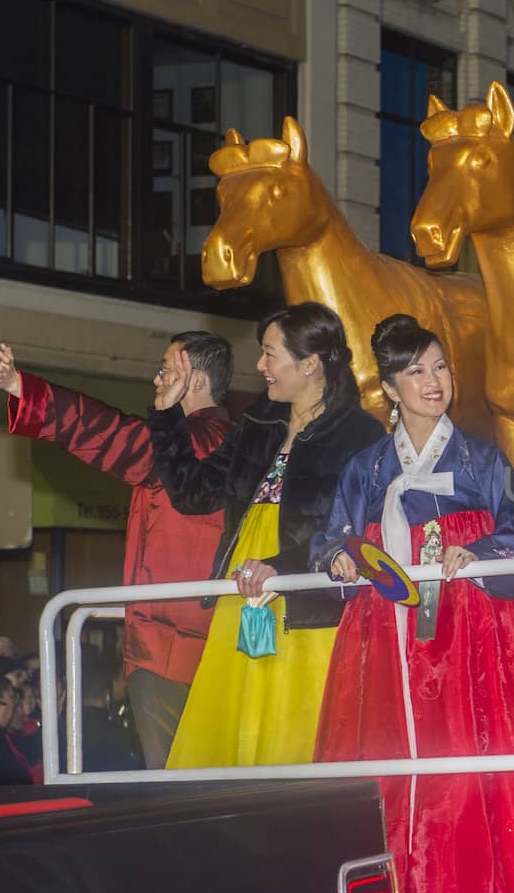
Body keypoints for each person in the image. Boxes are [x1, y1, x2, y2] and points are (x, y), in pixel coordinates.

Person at [313, 314, 514, 893]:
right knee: (391, 779)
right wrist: (342, 561)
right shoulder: (366, 468)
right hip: (390, 647)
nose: (434, 381)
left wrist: (485, 549)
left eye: (440, 366)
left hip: (473, 646)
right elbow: (329, 543)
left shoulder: (482, 458)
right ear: (389, 387)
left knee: (472, 781)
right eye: (416, 370)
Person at [0, 332, 235, 769]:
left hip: (170, 639)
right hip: (209, 633)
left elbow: (113, 436)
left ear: (193, 379)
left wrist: (28, 392)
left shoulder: (191, 437)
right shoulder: (232, 436)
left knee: (176, 781)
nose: (156, 380)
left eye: (165, 370)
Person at [149, 302, 383, 768]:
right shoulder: (258, 424)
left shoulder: (361, 436)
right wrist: (166, 416)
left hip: (310, 603)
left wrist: (282, 566)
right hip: (244, 590)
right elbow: (193, 494)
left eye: (270, 354)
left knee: (297, 730)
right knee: (230, 737)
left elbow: (355, 530)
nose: (260, 367)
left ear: (310, 363)